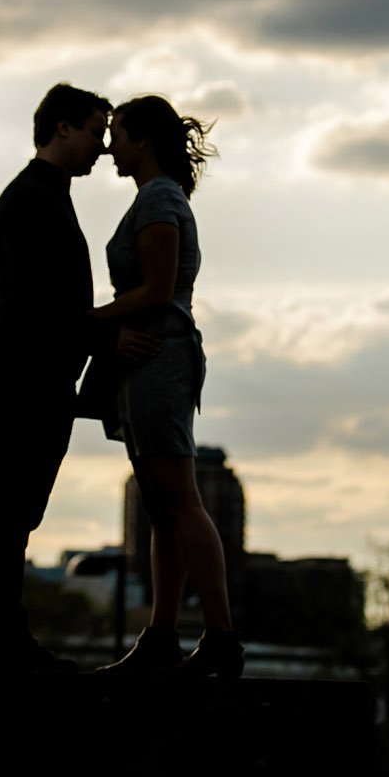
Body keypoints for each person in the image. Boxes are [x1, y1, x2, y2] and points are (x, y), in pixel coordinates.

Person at [0, 82, 147, 674]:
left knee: (16, 502)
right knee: (12, 501)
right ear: (62, 127)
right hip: (28, 370)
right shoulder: (33, 200)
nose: (102, 146)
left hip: (34, 369)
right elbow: (39, 305)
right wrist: (104, 338)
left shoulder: (41, 195)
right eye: (95, 130)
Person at [89, 94, 242, 677]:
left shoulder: (156, 199)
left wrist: (88, 320)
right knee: (163, 505)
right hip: (153, 360)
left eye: (119, 135)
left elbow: (156, 291)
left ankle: (219, 638)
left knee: (177, 499)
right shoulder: (157, 197)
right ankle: (161, 636)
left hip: (159, 358)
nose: (110, 147)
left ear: (143, 140)